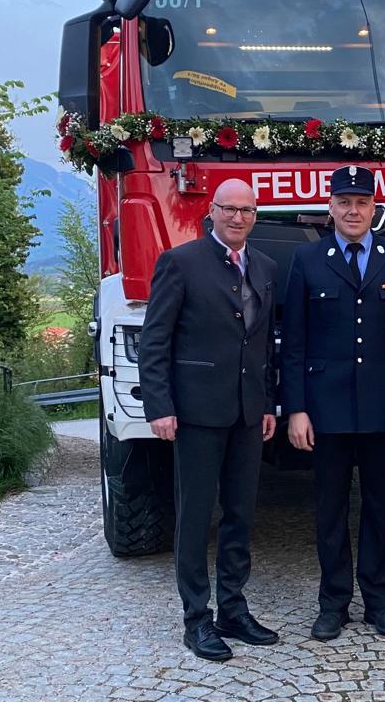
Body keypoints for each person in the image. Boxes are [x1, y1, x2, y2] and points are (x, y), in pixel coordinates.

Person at [138, 178, 278, 662]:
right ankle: (196, 618)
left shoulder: (265, 267)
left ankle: (233, 610)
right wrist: (159, 406)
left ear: (255, 216)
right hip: (196, 411)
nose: (238, 218)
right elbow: (155, 340)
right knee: (197, 516)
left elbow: (264, 343)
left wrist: (268, 403)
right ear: (212, 211)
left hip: (248, 412)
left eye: (247, 210)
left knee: (241, 514)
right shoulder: (180, 262)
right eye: (229, 209)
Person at [280, 164, 385, 641]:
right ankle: (333, 603)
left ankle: (380, 602)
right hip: (326, 408)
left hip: (381, 407)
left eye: (361, 202)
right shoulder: (307, 259)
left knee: (380, 507)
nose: (353, 210)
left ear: (374, 207)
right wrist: (296, 409)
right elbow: (294, 341)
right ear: (330, 208)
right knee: (330, 509)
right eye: (344, 202)